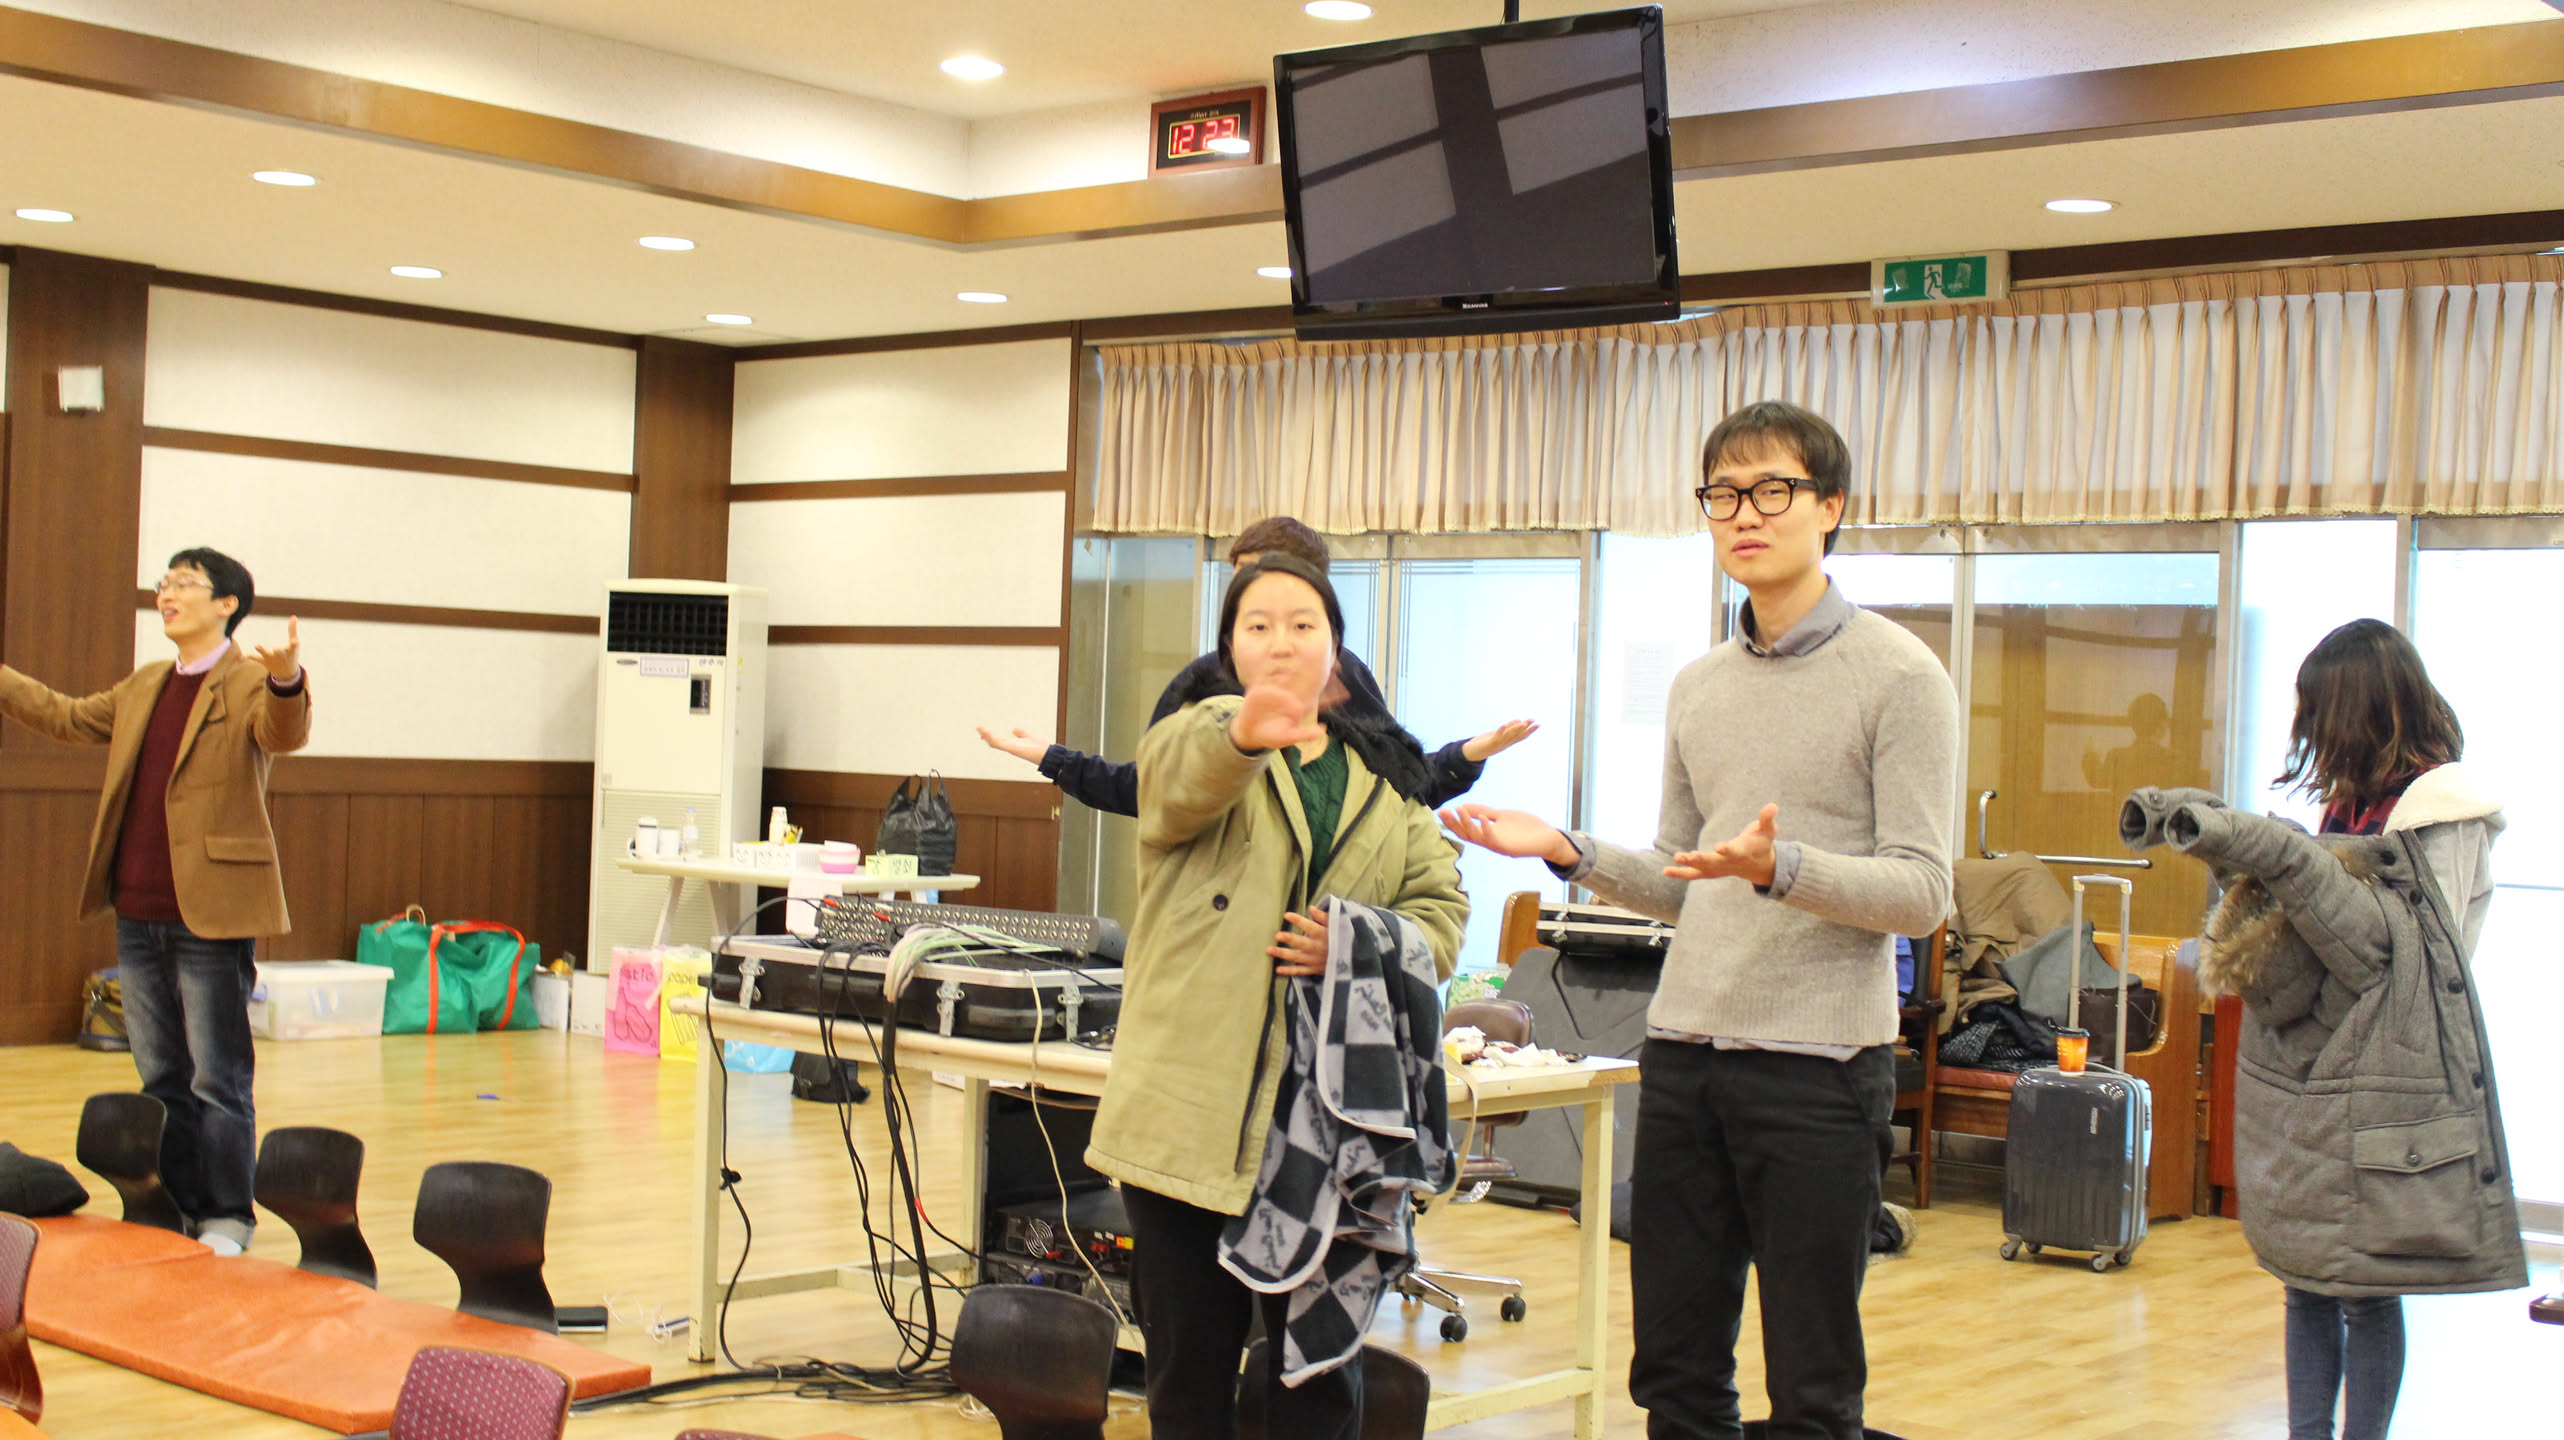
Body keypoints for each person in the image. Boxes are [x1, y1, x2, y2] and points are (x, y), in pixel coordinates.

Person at [1441, 400, 1957, 1440]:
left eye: (1772, 490)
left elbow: (1920, 892)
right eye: (1723, 494)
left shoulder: (1901, 675)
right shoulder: (1698, 686)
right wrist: (1567, 850)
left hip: (1818, 1067)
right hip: (1682, 1054)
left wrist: (1782, 868)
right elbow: (1685, 878)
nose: (1744, 514)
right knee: (1673, 1373)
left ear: (1830, 507)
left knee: (1811, 1385)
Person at [1084, 553, 1467, 1440]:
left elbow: (1441, 917)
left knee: (1317, 1391)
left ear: (1336, 647)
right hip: (1188, 1116)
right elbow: (1177, 786)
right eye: (1258, 626)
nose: (1282, 643)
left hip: (1327, 1129)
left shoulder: (1387, 784)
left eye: (1304, 624)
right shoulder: (1195, 735)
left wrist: (1354, 940)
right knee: (1188, 1382)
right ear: (1229, 648)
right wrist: (1245, 737)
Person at [2122, 619, 2521, 1440]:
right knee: (2305, 1279)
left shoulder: (2443, 810)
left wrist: (2287, 859)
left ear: (2354, 709)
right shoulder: (2351, 804)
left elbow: (2407, 954)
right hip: (2316, 1065)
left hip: (2389, 1069)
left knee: (2366, 1288)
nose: (2304, 730)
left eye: (2314, 712)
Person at [0, 548, 309, 1256]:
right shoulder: (146, 683)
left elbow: (282, 734)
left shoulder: (251, 679)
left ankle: (228, 1216)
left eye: (185, 584)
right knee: (161, 1074)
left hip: (211, 913)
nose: (167, 594)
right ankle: (176, 1208)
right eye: (164, 583)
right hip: (137, 911)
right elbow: (67, 717)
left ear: (227, 604)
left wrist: (288, 679)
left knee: (217, 1077)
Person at [977, 515, 1534, 813]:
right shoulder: (1203, 680)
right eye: (1241, 582)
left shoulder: (1346, 675)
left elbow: (1401, 790)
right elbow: (1149, 791)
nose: (1252, 593)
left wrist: (1466, 755)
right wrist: (1055, 759)